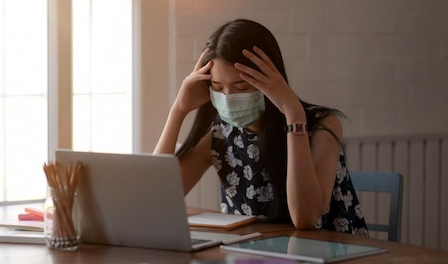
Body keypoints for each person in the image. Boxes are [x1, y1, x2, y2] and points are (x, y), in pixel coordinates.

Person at [154, 18, 368, 236]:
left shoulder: (323, 125)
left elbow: (305, 218)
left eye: (242, 86)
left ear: (270, 78)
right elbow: (157, 199)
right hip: (248, 254)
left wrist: (293, 113)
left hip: (327, 253)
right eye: (217, 88)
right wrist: (178, 111)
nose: (228, 98)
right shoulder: (220, 134)